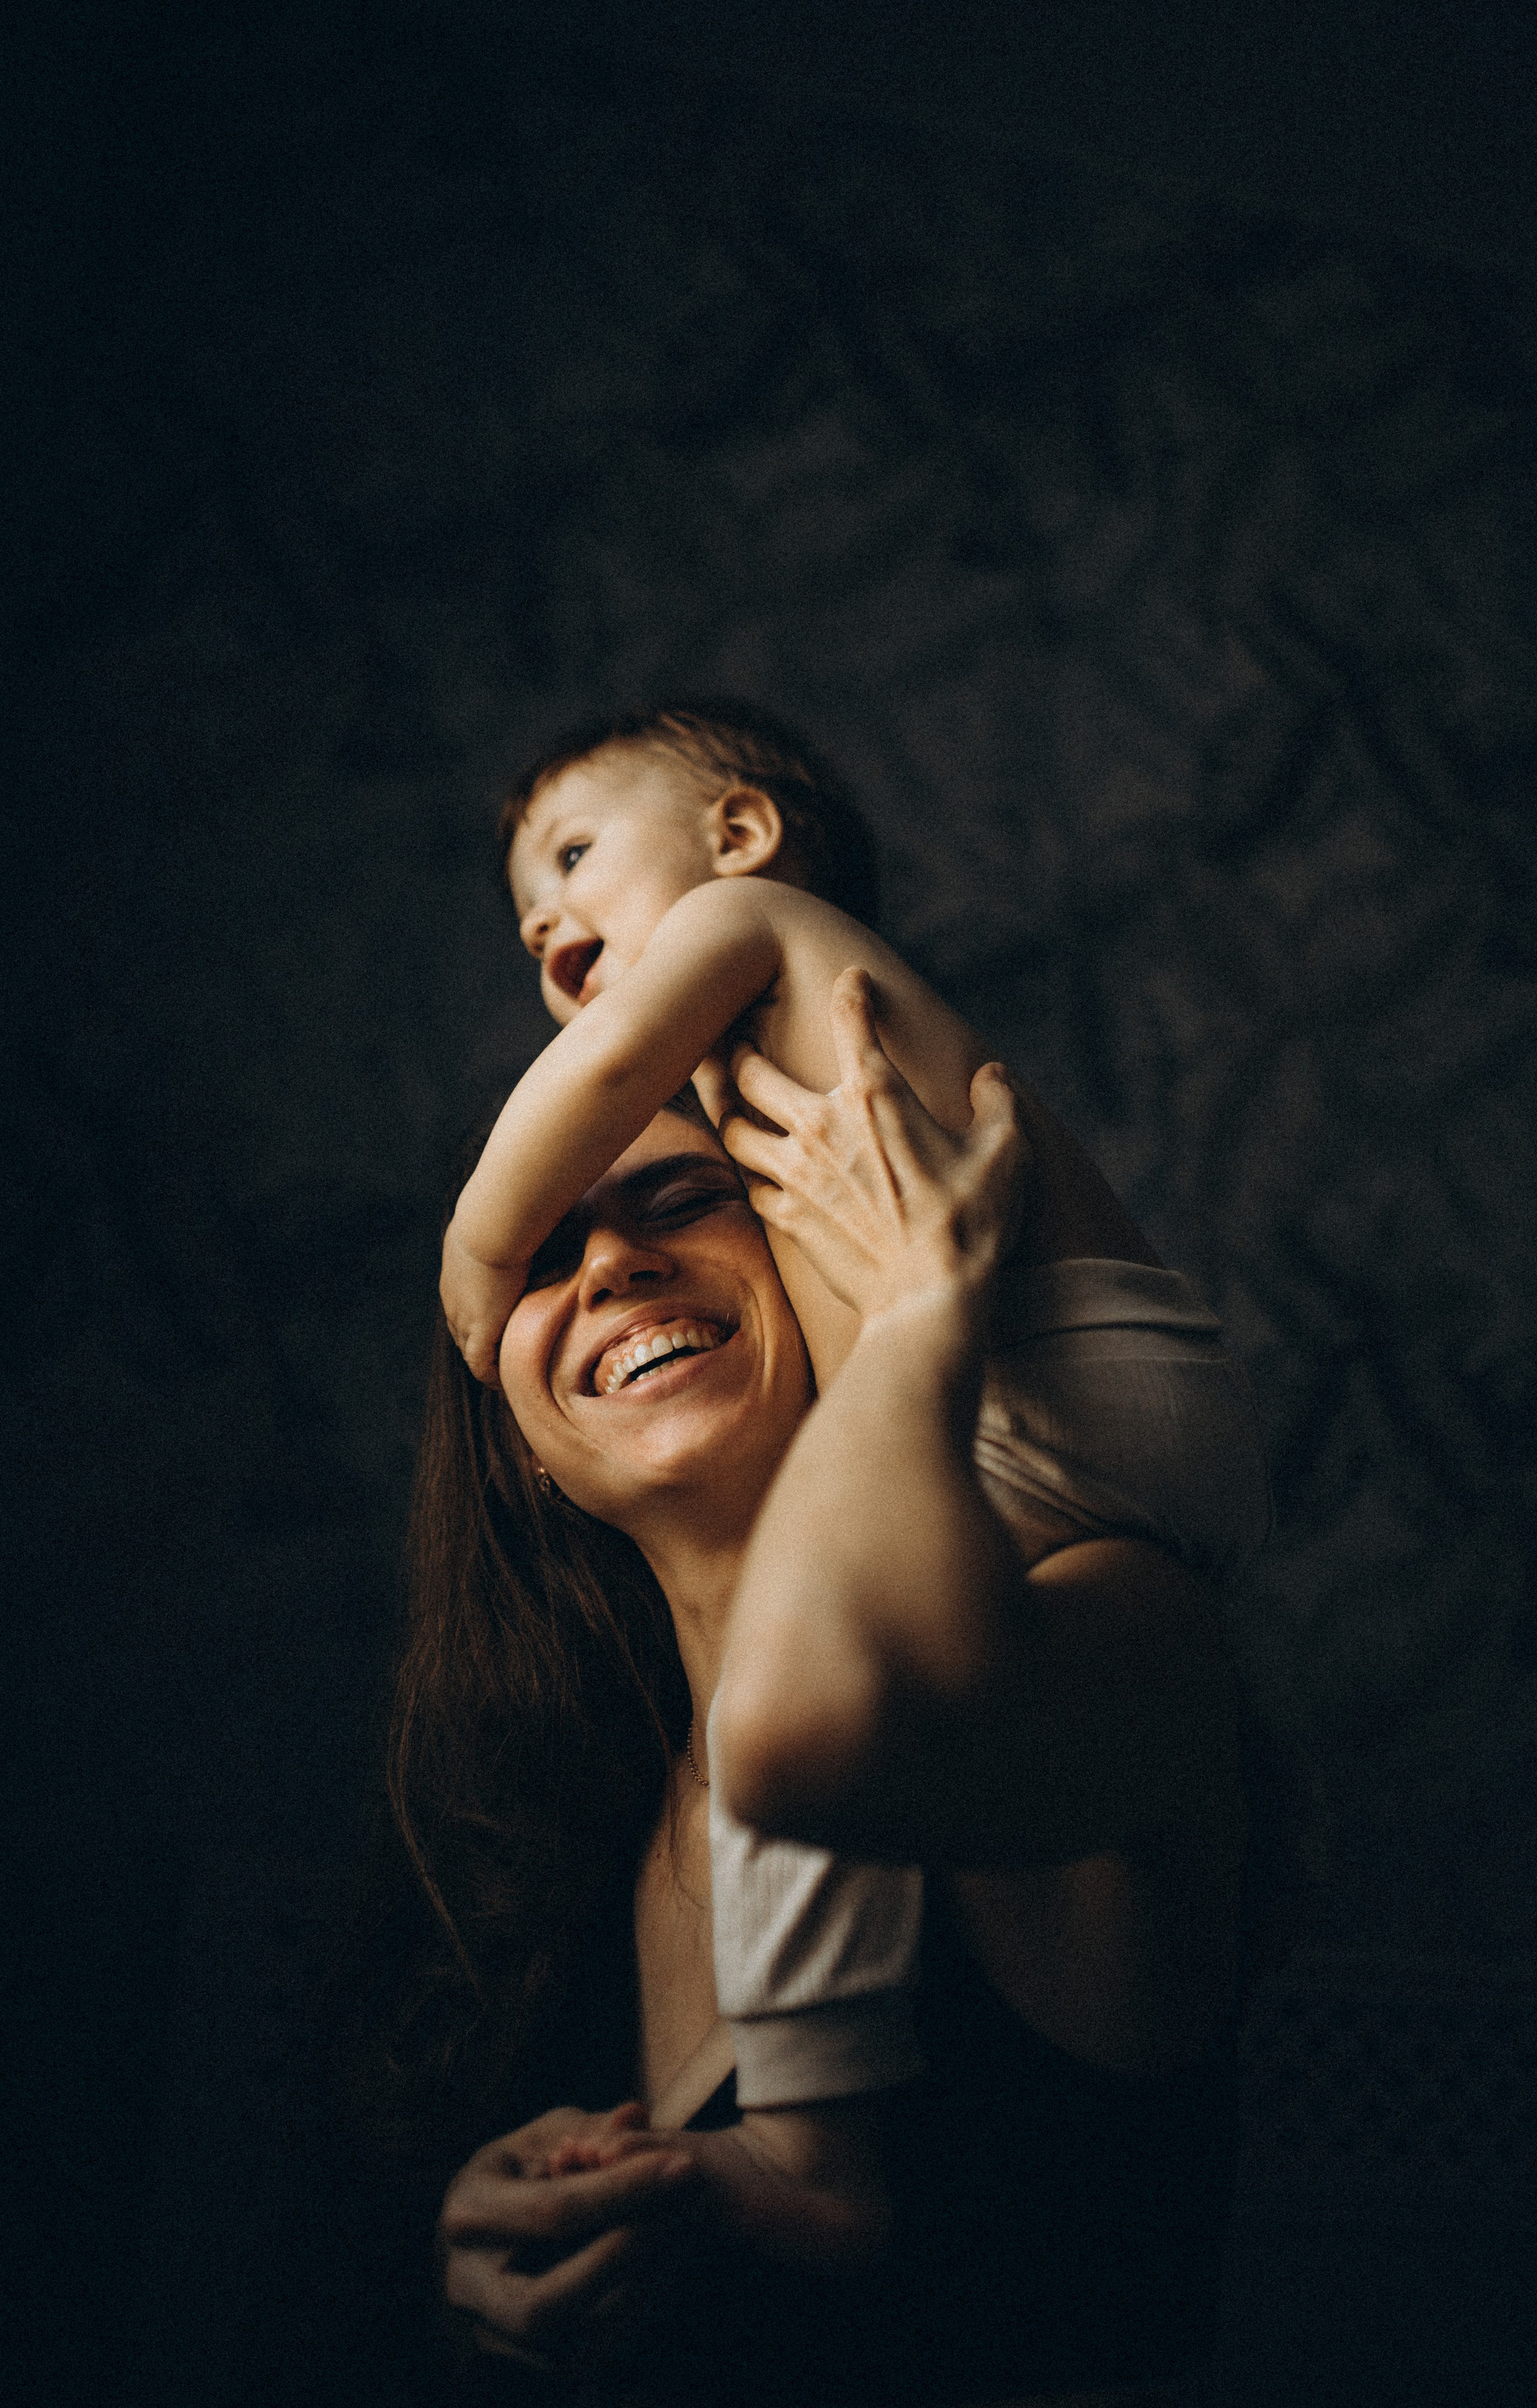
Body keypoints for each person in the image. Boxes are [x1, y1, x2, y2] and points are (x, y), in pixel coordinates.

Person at [382, 978, 1255, 2404]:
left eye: (677, 1200)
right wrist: (486, 2296)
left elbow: (825, 1718)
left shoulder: (1119, 1627)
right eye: (541, 1255)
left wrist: (919, 1319)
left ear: (807, 1251)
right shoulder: (563, 1833)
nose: (608, 1263)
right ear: (523, 1445)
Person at [433, 704, 1270, 2148]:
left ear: (740, 836)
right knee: (774, 1724)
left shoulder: (754, 930)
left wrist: (478, 1247)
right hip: (947, 1498)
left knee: (785, 1723)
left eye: (574, 857)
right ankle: (807, 2153)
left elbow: (607, 1068)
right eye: (545, 1262)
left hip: (1091, 1411)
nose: (543, 925)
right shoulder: (562, 1863)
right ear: (511, 1435)